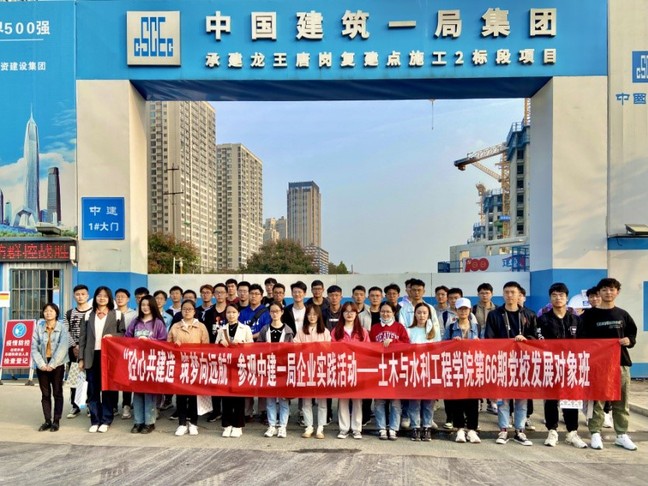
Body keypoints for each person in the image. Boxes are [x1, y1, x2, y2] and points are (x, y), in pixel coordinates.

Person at [581, 278, 638, 451]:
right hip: (597, 365)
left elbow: (632, 335)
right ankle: (595, 432)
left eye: (612, 289)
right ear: (599, 292)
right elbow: (580, 340)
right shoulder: (588, 316)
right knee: (597, 400)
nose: (608, 293)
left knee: (621, 400)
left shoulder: (623, 314)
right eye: (605, 289)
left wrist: (629, 340)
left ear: (617, 292)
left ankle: (621, 434)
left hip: (620, 363)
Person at [485, 281, 538, 446]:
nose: (509, 295)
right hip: (503, 361)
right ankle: (503, 429)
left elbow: (536, 338)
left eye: (513, 292)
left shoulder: (529, 314)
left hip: (523, 362)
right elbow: (489, 339)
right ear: (503, 294)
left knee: (521, 398)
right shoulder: (494, 315)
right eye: (506, 292)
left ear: (519, 294)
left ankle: (520, 430)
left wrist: (526, 339)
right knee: (503, 398)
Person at [537, 283, 588, 449]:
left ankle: (572, 432)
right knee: (551, 400)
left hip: (571, 367)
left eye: (561, 295)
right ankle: (552, 431)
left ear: (567, 298)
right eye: (554, 295)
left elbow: (583, 343)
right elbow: (539, 342)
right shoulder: (543, 320)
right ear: (550, 298)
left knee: (571, 399)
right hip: (550, 366)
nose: (558, 298)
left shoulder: (576, 320)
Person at [78, 286, 125, 433]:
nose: (102, 298)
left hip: (109, 357)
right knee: (93, 390)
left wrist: (113, 336)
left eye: (105, 296)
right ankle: (95, 420)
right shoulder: (88, 315)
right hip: (91, 356)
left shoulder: (117, 314)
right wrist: (81, 359)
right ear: (95, 297)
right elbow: (82, 338)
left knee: (107, 389)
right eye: (99, 295)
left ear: (109, 298)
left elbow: (123, 335)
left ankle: (106, 419)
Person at [125, 295, 168, 434]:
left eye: (148, 305)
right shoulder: (135, 322)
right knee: (137, 392)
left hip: (152, 362)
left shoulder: (158, 323)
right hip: (137, 362)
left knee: (149, 392)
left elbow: (164, 342)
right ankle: (138, 421)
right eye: (143, 305)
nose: (145, 307)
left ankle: (149, 422)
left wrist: (149, 341)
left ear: (153, 306)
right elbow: (126, 338)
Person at [167, 299, 209, 436]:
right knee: (180, 396)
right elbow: (167, 345)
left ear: (194, 311)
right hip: (180, 366)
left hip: (195, 365)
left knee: (193, 396)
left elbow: (206, 347)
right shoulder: (175, 327)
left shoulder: (201, 327)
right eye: (184, 309)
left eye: (190, 309)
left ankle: (193, 423)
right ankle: (182, 423)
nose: (187, 311)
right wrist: (174, 345)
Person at [369, 302, 410, 440]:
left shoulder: (399, 327)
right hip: (379, 368)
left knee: (395, 401)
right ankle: (381, 428)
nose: (385, 314)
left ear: (394, 313)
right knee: (379, 400)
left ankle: (393, 428)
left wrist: (393, 342)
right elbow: (369, 347)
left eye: (388, 311)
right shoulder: (375, 328)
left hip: (395, 368)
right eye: (383, 311)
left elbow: (407, 345)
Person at [444, 298, 481, 444]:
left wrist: (479, 344)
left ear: (470, 310)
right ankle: (459, 428)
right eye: (460, 309)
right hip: (456, 367)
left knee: (473, 399)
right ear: (456, 311)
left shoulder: (477, 327)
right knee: (457, 399)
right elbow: (443, 346)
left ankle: (472, 429)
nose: (463, 311)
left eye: (466, 309)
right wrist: (452, 343)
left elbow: (486, 346)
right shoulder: (451, 328)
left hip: (473, 367)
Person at [331, 302, 370, 440]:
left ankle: (357, 429)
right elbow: (332, 350)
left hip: (357, 369)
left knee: (357, 400)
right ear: (342, 314)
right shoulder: (336, 331)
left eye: (352, 311)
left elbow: (368, 350)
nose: (349, 314)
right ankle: (343, 429)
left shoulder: (362, 332)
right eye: (346, 311)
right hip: (342, 368)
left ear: (356, 314)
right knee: (343, 400)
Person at [294, 303, 331, 439]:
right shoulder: (301, 331)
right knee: (306, 400)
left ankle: (320, 427)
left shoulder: (325, 331)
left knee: (322, 401)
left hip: (321, 369)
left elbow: (330, 349)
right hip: (306, 368)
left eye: (314, 314)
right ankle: (309, 426)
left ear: (319, 316)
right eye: (309, 314)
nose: (312, 317)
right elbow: (295, 346)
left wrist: (319, 348)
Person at [258, 302, 294, 438]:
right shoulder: (265, 329)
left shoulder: (288, 331)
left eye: (277, 311)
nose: (274, 314)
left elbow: (292, 351)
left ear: (282, 312)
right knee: (270, 399)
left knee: (284, 399)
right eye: (272, 311)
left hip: (283, 368)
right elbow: (258, 348)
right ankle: (272, 425)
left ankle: (283, 426)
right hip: (269, 368)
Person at [216, 304, 253, 438]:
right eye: (228, 312)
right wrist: (220, 343)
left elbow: (251, 346)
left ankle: (238, 425)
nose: (231, 315)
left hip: (240, 366)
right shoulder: (222, 329)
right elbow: (215, 348)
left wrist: (242, 344)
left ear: (238, 314)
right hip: (226, 366)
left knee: (238, 397)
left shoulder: (245, 328)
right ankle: (226, 425)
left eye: (233, 312)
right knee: (225, 396)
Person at [32, 303, 69, 432]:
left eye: (51, 311)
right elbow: (34, 347)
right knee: (45, 394)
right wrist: (41, 364)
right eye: (46, 311)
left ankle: (56, 421)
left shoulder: (62, 328)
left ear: (56, 313)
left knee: (57, 393)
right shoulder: (38, 328)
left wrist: (52, 364)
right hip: (42, 364)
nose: (48, 313)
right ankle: (47, 420)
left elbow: (63, 347)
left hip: (57, 365)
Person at [407, 302, 440, 441]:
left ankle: (427, 427)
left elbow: (439, 349)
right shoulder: (409, 330)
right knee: (414, 401)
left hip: (429, 369)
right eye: (419, 312)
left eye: (424, 313)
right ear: (415, 314)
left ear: (429, 315)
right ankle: (415, 427)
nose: (422, 315)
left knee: (428, 401)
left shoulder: (433, 332)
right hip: (413, 370)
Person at [64, 284, 91, 419]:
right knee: (74, 377)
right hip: (73, 349)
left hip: (89, 349)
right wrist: (74, 346)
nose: (80, 297)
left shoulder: (93, 312)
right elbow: (66, 331)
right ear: (74, 296)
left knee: (90, 378)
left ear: (88, 295)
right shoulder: (69, 313)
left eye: (83, 294)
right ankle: (76, 405)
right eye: (77, 294)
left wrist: (84, 346)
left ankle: (90, 404)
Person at [114, 288, 137, 420]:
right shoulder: (111, 313)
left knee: (126, 379)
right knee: (113, 377)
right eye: (117, 296)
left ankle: (126, 405)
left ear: (128, 299)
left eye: (123, 296)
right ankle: (113, 405)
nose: (120, 298)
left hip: (129, 350)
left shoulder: (134, 314)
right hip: (114, 350)